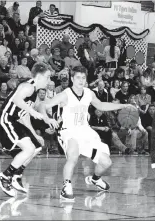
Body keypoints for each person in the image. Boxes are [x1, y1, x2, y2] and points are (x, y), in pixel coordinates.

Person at [39, 65, 133, 201]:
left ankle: (95, 179)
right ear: (72, 78)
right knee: (73, 155)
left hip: (85, 131)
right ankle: (66, 186)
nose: (81, 80)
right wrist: (47, 118)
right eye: (78, 77)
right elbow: (43, 105)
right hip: (68, 131)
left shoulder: (89, 93)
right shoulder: (65, 94)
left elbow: (101, 105)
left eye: (83, 78)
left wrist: (123, 106)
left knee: (106, 162)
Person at [0, 62, 56, 197]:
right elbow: (17, 99)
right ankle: (5, 176)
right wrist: (32, 111)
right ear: (39, 77)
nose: (49, 80)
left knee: (37, 147)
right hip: (6, 120)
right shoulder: (28, 87)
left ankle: (16, 175)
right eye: (47, 77)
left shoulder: (35, 92)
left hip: (17, 121)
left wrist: (46, 121)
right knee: (28, 149)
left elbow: (29, 114)